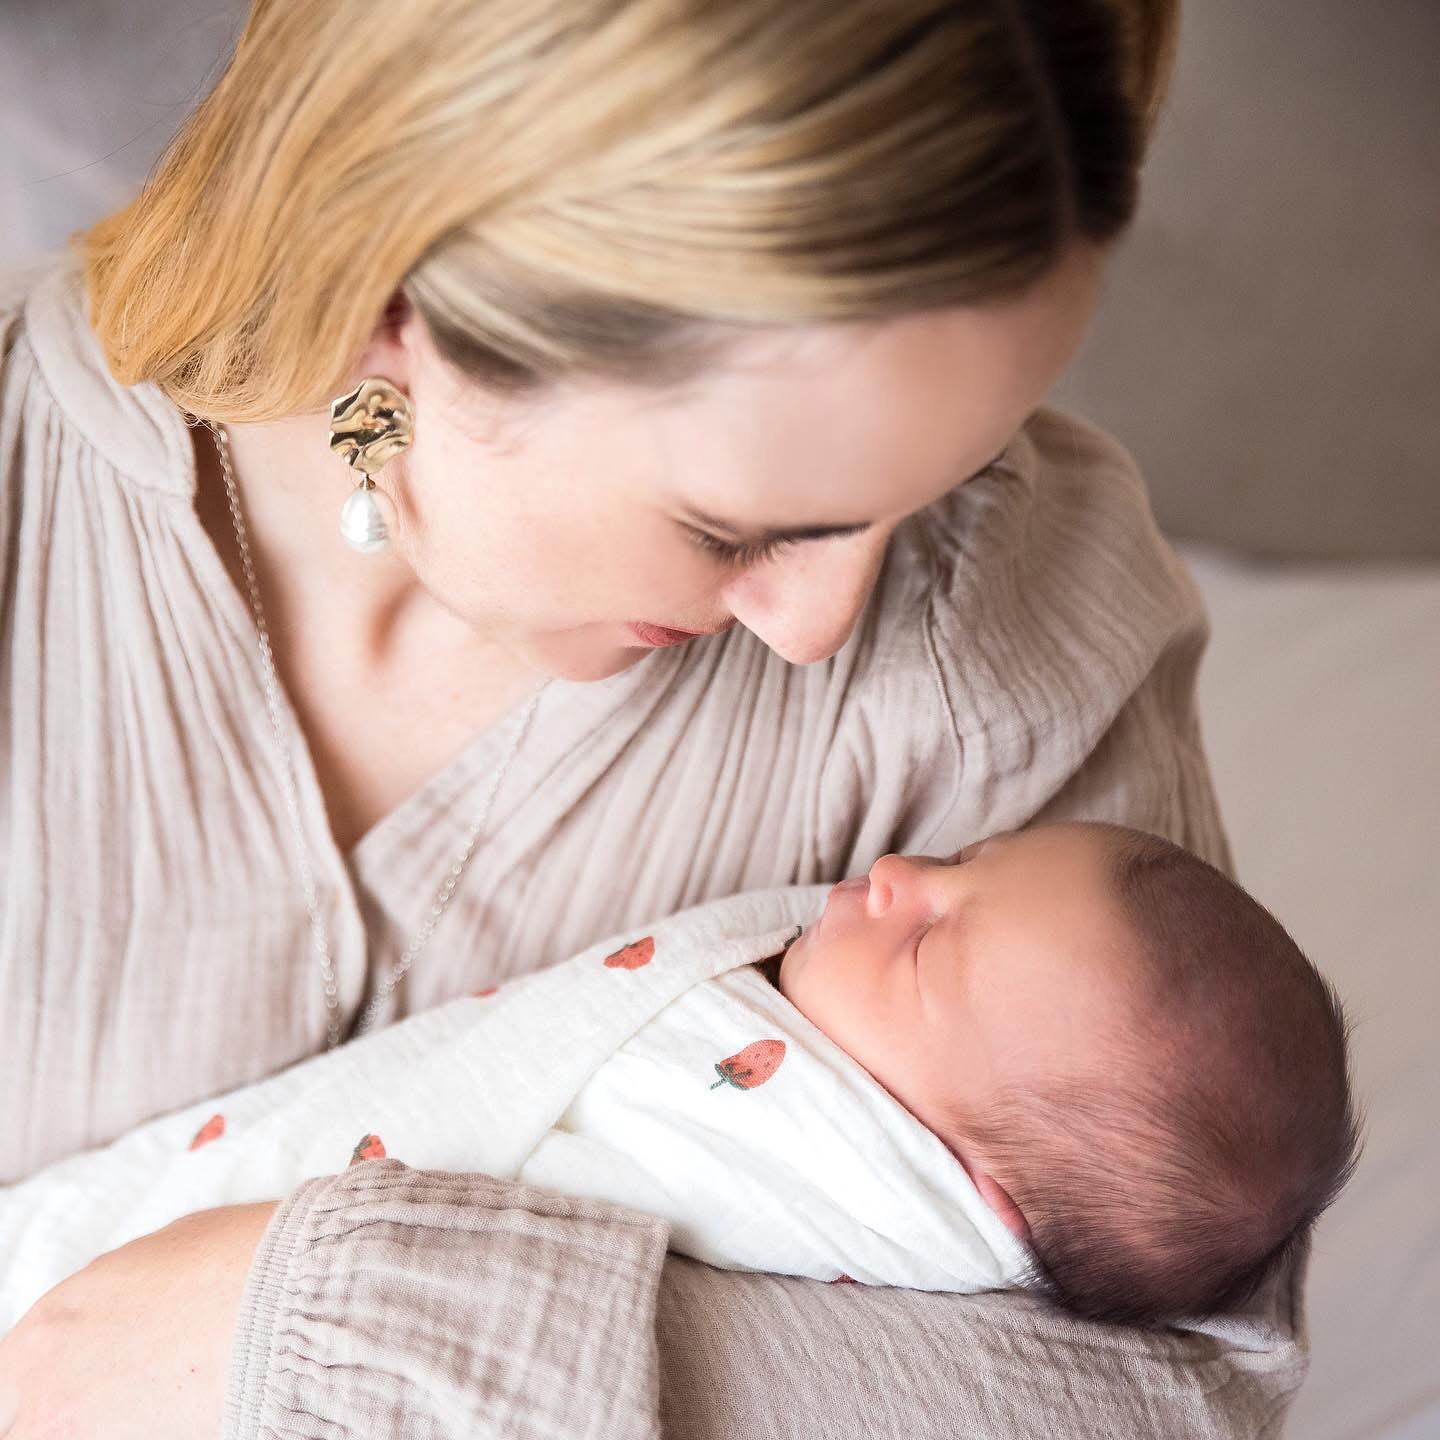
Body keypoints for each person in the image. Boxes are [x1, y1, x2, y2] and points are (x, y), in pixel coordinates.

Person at [0, 0, 1310, 1435]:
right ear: (391, 298)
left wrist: (332, 1328)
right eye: (733, 526)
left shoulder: (1000, 639)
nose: (819, 629)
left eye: (934, 477)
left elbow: (1167, 1386)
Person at [0, 822, 1360, 1337]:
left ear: (973, 1189)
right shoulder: (875, 1023)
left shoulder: (814, 1188)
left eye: (936, 941)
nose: (895, 879)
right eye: (969, 855)